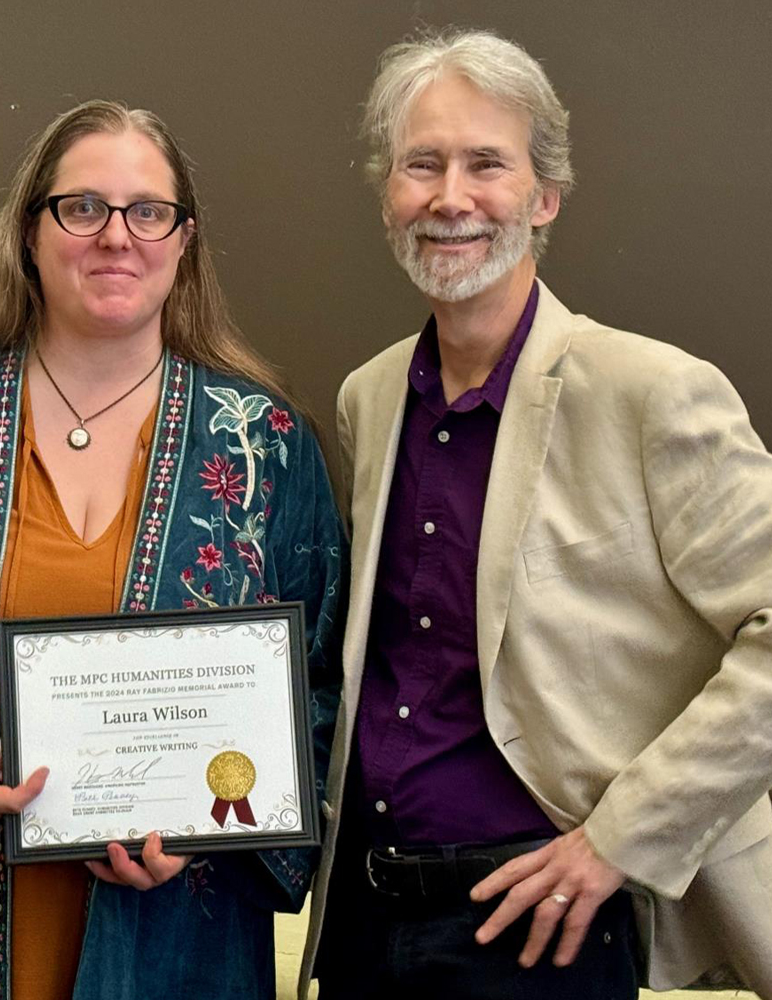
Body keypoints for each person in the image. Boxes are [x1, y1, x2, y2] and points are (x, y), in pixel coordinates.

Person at [0, 99, 344, 1000]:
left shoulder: (261, 443)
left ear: (183, 240)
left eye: (148, 211)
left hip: (170, 940)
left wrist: (207, 820)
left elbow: (319, 682)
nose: (117, 236)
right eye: (82, 207)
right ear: (30, 232)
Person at [301, 26, 772, 1000]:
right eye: (420, 164)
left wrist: (616, 841)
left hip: (543, 933)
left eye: (486, 163)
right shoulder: (368, 398)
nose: (449, 196)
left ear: (543, 196)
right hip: (360, 919)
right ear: (388, 192)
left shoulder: (652, 393)